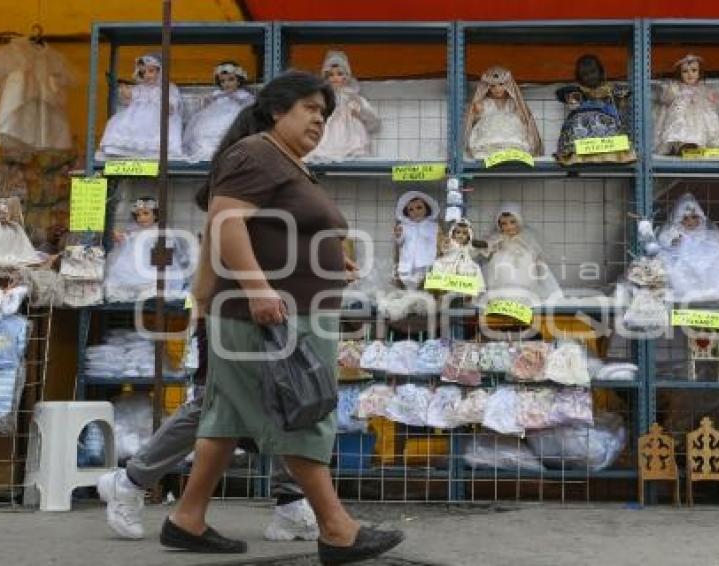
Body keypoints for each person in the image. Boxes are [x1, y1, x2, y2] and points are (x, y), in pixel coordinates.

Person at [160, 70, 404, 563]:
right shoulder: (256, 154)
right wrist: (257, 289)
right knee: (302, 409)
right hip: (271, 317)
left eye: (325, 113)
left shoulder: (285, 162)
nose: (320, 119)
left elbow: (278, 228)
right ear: (278, 110)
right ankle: (337, 529)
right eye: (311, 109)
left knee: (225, 419)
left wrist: (329, 258)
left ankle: (186, 519)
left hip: (281, 309)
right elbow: (226, 224)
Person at [96, 319, 318, 542]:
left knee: (286, 394)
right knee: (214, 403)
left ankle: (291, 502)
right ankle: (130, 481)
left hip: (275, 310)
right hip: (235, 313)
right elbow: (207, 287)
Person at [653, 54, 719, 155]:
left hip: (699, 114)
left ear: (699, 72)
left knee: (707, 124)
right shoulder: (677, 87)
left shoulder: (702, 89)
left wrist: (712, 98)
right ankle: (681, 145)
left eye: (694, 70)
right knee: (680, 126)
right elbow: (666, 99)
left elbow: (714, 102)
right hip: (682, 114)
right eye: (685, 71)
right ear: (680, 74)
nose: (690, 74)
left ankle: (700, 145)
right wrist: (671, 92)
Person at [464, 66, 542, 159]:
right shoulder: (482, 104)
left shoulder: (515, 104)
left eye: (501, 84)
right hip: (488, 145)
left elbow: (526, 122)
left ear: (508, 85)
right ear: (487, 87)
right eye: (492, 86)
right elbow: (471, 123)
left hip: (514, 144)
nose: (497, 89)